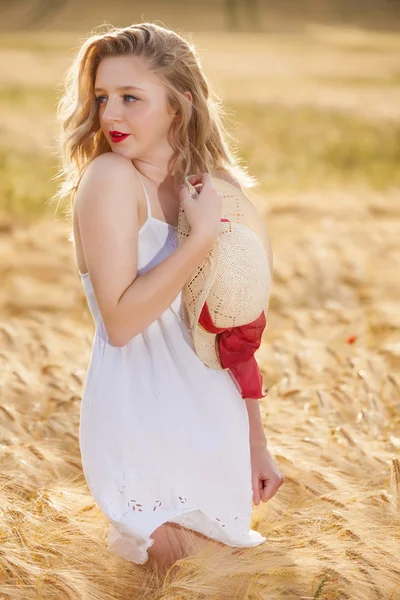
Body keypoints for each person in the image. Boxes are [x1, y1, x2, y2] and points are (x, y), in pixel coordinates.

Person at [52, 21, 284, 573]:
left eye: (131, 98)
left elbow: (236, 332)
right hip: (139, 413)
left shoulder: (214, 186)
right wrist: (199, 237)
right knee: (165, 572)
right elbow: (121, 322)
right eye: (103, 98)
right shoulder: (110, 179)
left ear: (179, 105)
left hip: (215, 416)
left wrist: (256, 441)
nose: (110, 115)